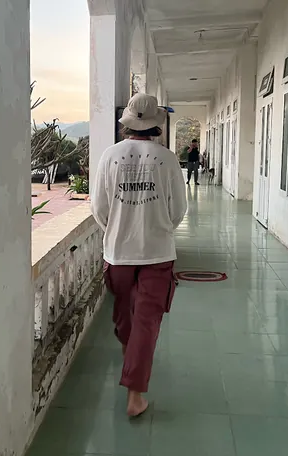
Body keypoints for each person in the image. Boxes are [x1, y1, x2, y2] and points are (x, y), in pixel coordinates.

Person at [91, 93, 187, 417]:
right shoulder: (168, 159)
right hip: (157, 254)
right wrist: (158, 226)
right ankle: (135, 395)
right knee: (146, 321)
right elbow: (178, 210)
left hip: (118, 253)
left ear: (128, 123)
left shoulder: (109, 156)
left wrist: (118, 228)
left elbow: (99, 208)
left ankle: (131, 362)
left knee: (124, 315)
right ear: (156, 125)